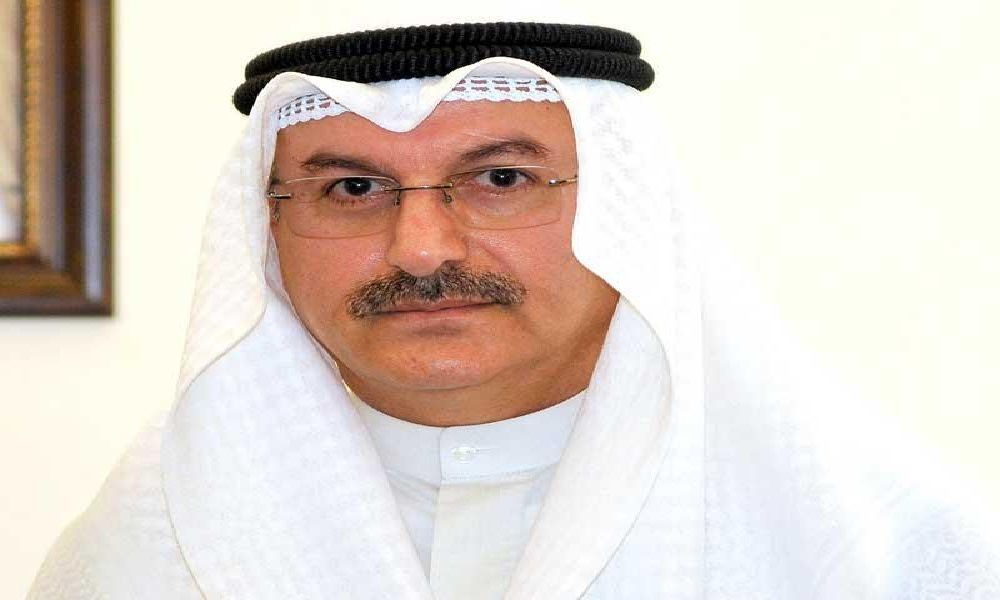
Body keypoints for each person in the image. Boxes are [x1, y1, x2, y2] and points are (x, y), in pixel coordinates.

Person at [28, 22, 998, 600]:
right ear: (270, 230)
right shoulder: (151, 539)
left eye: (500, 179)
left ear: (625, 210)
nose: (421, 249)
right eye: (353, 189)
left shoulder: (878, 549)